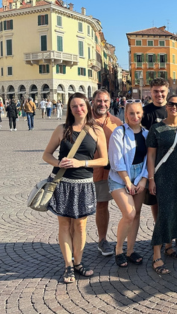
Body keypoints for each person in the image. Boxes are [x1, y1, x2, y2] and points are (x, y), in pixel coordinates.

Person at [42, 93, 108, 283]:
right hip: (62, 183)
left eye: (81, 105)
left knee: (80, 225)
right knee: (64, 225)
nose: (78, 109)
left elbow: (104, 160)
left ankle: (78, 262)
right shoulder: (62, 129)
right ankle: (68, 265)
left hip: (84, 184)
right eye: (74, 106)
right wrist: (58, 163)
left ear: (87, 106)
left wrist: (82, 163)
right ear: (69, 110)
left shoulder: (96, 130)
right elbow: (46, 155)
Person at [141, 77, 177, 250]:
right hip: (157, 167)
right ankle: (163, 231)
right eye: (155, 91)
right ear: (150, 92)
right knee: (158, 203)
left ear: (167, 92)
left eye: (162, 91)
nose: (159, 94)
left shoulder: (176, 109)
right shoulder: (145, 112)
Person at [108, 102, 148, 267]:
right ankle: (118, 250)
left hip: (139, 177)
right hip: (119, 178)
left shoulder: (146, 133)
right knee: (129, 214)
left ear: (142, 114)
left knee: (136, 214)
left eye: (138, 113)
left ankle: (130, 250)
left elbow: (149, 159)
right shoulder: (119, 132)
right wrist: (127, 182)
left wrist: (144, 179)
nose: (135, 116)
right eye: (131, 113)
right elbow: (117, 161)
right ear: (126, 115)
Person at [91, 89, 123, 257]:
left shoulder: (116, 122)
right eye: (99, 101)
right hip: (92, 171)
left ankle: (126, 242)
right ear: (93, 101)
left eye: (105, 101)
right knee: (101, 205)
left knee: (128, 208)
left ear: (110, 103)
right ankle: (102, 240)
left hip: (115, 172)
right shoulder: (85, 121)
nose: (102, 104)